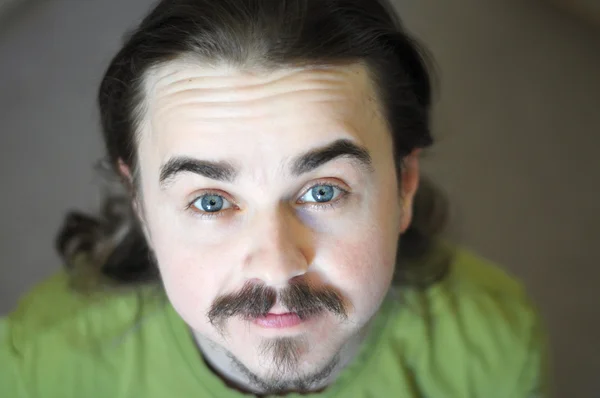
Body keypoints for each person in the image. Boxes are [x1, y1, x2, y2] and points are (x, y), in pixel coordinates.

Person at [0, 0, 548, 396]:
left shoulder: (493, 344)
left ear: (405, 186)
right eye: (211, 201)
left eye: (323, 190)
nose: (277, 266)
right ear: (140, 204)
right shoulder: (37, 368)